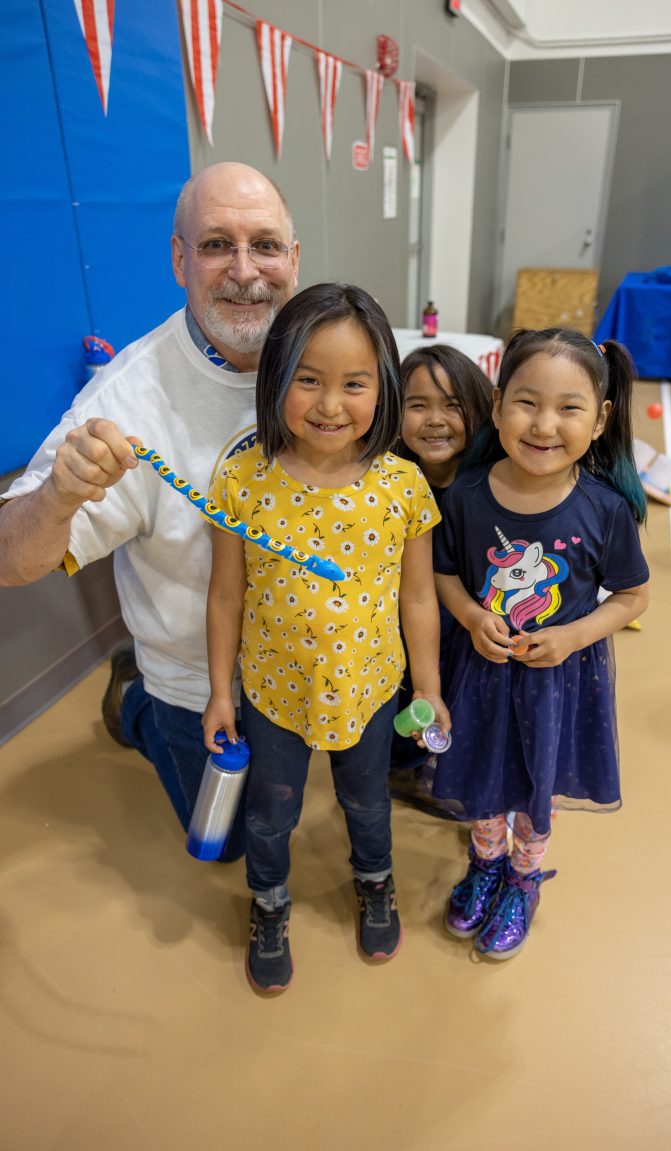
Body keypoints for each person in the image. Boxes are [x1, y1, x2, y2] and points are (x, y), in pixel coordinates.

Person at [0, 163, 299, 860]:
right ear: (179, 260)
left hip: (302, 661)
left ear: (293, 258)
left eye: (264, 245)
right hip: (196, 682)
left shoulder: (330, 355)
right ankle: (136, 704)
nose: (245, 271)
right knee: (229, 846)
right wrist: (59, 493)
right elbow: (10, 560)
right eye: (217, 245)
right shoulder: (128, 399)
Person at [202, 282, 449, 993]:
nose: (330, 404)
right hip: (272, 693)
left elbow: (418, 596)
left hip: (370, 689)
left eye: (354, 384)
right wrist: (220, 693)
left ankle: (375, 881)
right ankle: (268, 902)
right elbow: (225, 595)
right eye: (308, 380)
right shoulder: (241, 480)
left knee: (367, 801)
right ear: (275, 377)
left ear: (384, 388)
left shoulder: (402, 485)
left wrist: (428, 687)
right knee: (270, 812)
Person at [431, 329, 650, 960]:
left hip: (557, 685)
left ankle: (523, 879)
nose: (544, 424)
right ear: (498, 406)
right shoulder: (466, 496)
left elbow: (633, 597)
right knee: (480, 776)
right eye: (526, 402)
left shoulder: (604, 510)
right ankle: (485, 864)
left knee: (536, 789)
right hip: (479, 675)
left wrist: (572, 637)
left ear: (600, 419)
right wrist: (471, 616)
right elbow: (443, 574)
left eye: (569, 408)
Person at [389, 344, 493, 817]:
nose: (435, 420)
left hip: (469, 628)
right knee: (408, 700)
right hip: (403, 624)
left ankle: (446, 765)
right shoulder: (388, 480)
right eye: (418, 405)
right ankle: (405, 764)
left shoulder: (492, 484)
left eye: (452, 405)